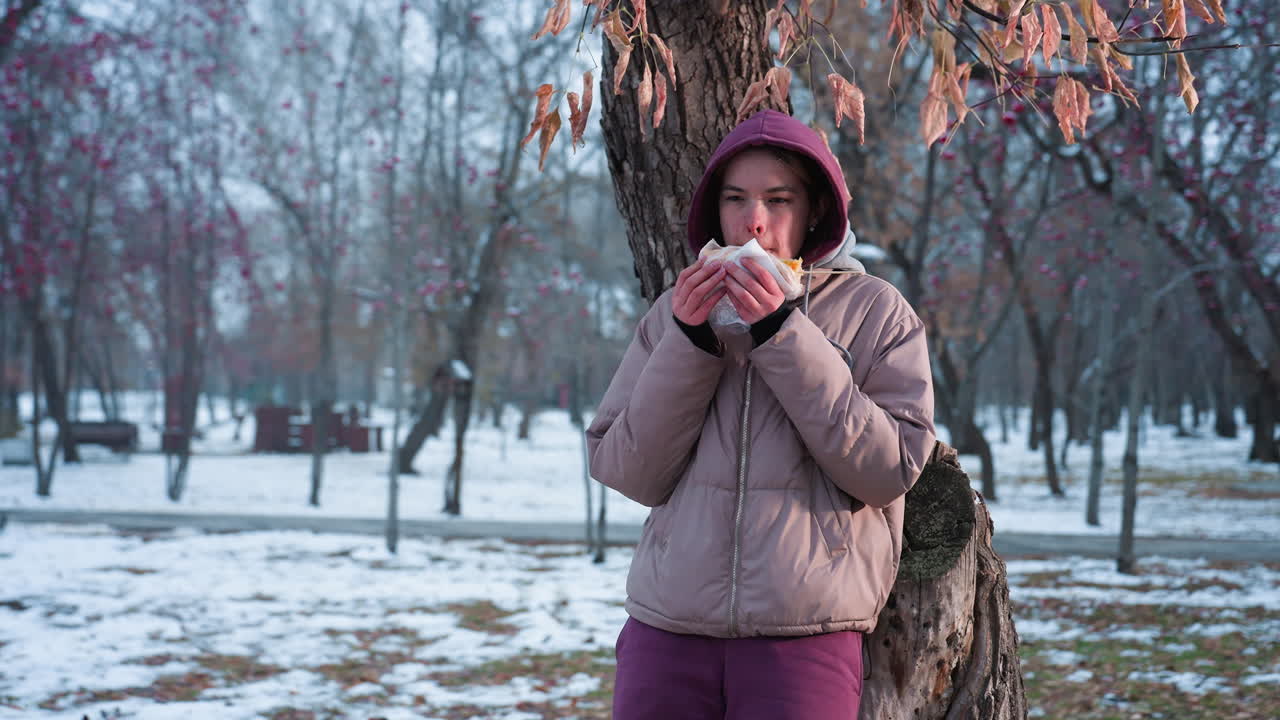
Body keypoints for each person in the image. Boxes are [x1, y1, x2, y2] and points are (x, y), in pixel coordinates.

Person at [586, 109, 936, 719]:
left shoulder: (876, 311)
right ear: (713, 212)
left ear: (815, 213)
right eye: (736, 199)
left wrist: (781, 332)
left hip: (806, 631)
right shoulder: (677, 308)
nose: (754, 221)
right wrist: (690, 342)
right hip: (667, 628)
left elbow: (888, 470)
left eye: (779, 200)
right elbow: (626, 471)